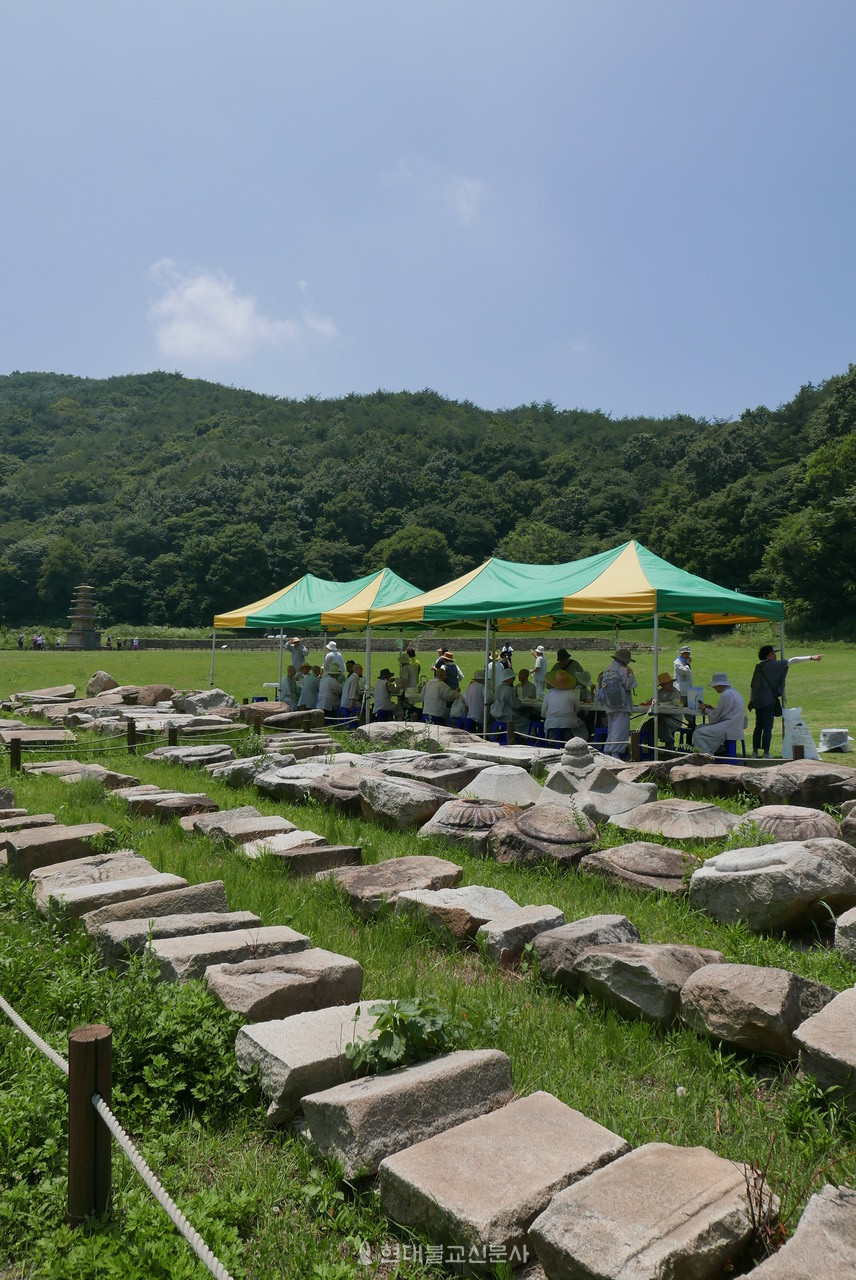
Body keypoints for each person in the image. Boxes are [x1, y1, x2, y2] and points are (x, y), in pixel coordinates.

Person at [749, 646, 823, 758]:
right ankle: (766, 752)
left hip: (758, 702)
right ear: (768, 655)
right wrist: (811, 657)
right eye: (773, 653)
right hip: (768, 701)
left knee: (758, 726)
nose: (775, 655)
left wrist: (751, 700)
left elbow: (752, 685)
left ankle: (755, 752)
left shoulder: (758, 667)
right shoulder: (773, 665)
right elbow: (792, 660)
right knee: (768, 728)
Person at [693, 673, 748, 755]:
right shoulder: (734, 692)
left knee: (698, 733)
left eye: (715, 686)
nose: (714, 688)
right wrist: (712, 709)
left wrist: (705, 709)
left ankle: (706, 756)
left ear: (720, 685)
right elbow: (724, 712)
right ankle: (716, 750)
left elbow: (716, 717)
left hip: (729, 727)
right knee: (698, 727)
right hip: (734, 725)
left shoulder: (726, 695)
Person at [598, 647, 637, 758]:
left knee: (612, 730)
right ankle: (615, 755)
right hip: (622, 705)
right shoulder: (623, 670)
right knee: (620, 732)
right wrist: (631, 674)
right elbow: (628, 685)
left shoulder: (608, 669)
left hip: (609, 704)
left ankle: (607, 752)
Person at [640, 672, 685, 750]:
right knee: (648, 724)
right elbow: (653, 702)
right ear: (662, 685)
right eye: (668, 683)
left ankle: (669, 742)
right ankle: (645, 743)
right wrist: (650, 703)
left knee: (659, 723)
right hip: (661, 718)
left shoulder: (675, 692)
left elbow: (679, 704)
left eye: (671, 682)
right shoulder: (659, 693)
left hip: (674, 719)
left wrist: (660, 704)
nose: (671, 684)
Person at [541, 669, 588, 743]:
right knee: (581, 726)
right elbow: (577, 709)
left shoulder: (549, 693)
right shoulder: (572, 693)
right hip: (569, 723)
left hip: (552, 725)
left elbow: (543, 713)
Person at [490, 666, 528, 734]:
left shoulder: (498, 687)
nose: (514, 679)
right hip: (507, 715)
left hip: (498, 714)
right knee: (526, 721)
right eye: (513, 678)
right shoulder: (509, 690)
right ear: (509, 678)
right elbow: (514, 704)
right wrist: (519, 704)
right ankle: (526, 737)